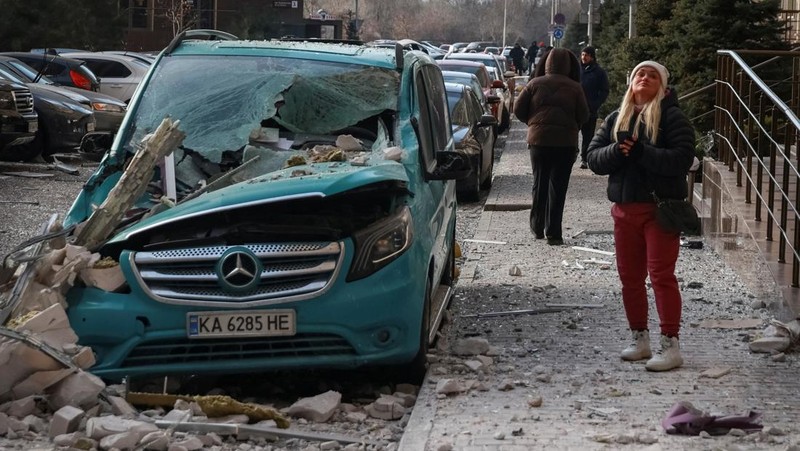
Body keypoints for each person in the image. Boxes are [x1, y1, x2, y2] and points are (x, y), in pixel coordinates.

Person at [586, 61, 695, 372]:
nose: (644, 78)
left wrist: (642, 153)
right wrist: (618, 152)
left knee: (661, 277)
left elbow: (682, 158)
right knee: (630, 279)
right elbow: (593, 158)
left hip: (659, 212)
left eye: (652, 75)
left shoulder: (672, 117)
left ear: (662, 85)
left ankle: (670, 345)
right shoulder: (614, 118)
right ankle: (640, 339)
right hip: (624, 211)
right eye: (639, 74)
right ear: (630, 82)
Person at [513, 48, 589, 246]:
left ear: (545, 63)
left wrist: (533, 124)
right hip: (565, 143)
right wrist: (573, 125)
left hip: (539, 142)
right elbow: (584, 115)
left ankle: (537, 226)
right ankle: (554, 233)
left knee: (540, 183)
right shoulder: (575, 87)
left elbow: (517, 110)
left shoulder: (534, 84)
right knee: (559, 187)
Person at [579, 46, 609, 169]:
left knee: (588, 135)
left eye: (586, 55)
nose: (583, 57)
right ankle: (571, 155)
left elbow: (604, 90)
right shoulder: (576, 70)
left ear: (592, 57)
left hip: (590, 109)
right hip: (575, 108)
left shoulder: (599, 72)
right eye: (582, 55)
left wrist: (595, 104)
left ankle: (584, 158)